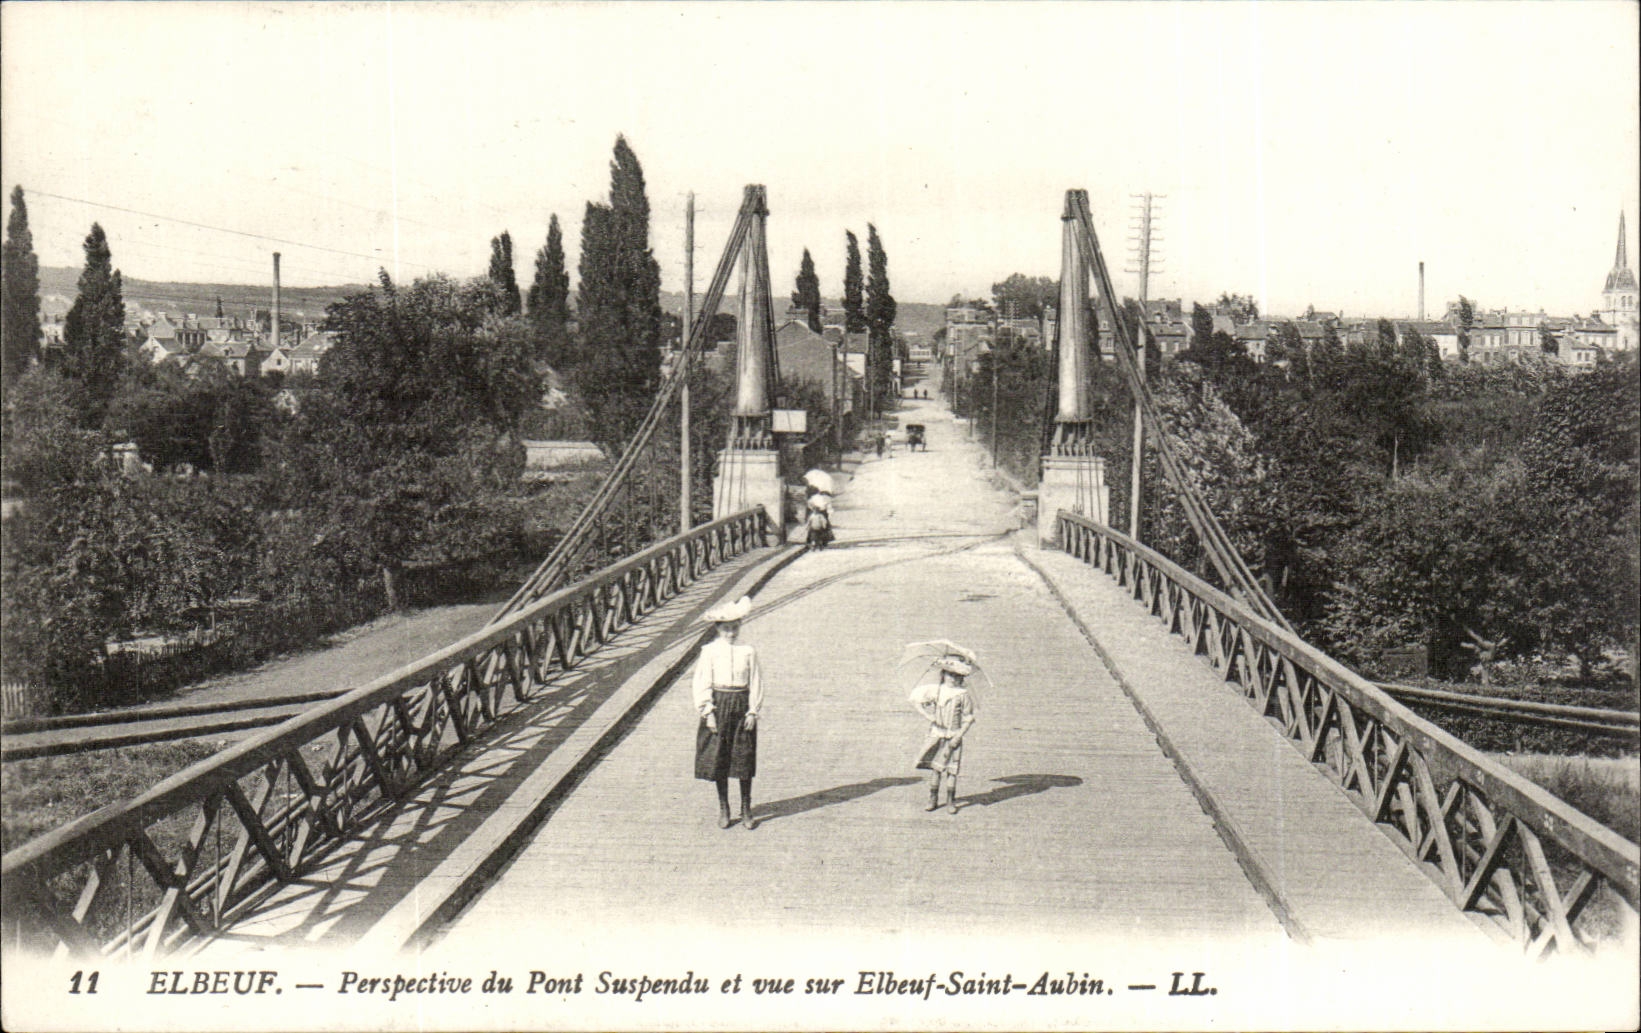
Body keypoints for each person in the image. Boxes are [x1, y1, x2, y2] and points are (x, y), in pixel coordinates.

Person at [691, 596, 763, 830]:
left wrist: (753, 711)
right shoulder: (709, 651)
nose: (731, 634)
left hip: (741, 705)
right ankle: (724, 807)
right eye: (727, 630)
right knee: (718, 757)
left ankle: (746, 807)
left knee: (744, 756)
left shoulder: (748, 651)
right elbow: (702, 682)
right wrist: (708, 712)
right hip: (719, 704)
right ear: (718, 629)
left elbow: (756, 682)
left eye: (735, 628)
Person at [912, 657, 978, 814]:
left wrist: (958, 736)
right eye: (949, 674)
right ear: (943, 674)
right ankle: (932, 798)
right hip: (938, 734)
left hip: (953, 735)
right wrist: (929, 716)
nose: (952, 679)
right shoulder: (938, 690)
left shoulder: (963, 695)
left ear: (961, 678)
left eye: (956, 676)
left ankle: (950, 800)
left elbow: (968, 719)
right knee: (936, 769)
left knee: (951, 771)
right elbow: (917, 701)